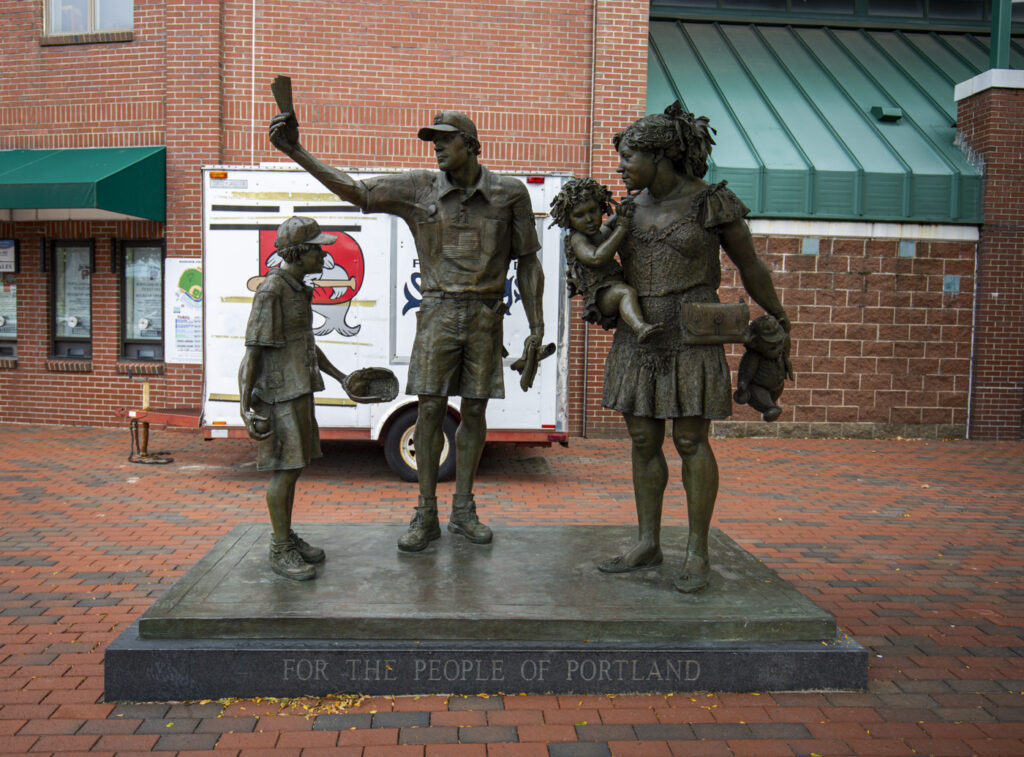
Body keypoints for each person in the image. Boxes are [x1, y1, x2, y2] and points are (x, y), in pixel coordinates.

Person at [269, 107, 544, 553]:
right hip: (436, 313)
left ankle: (463, 509)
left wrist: (537, 326)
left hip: (485, 316)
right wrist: (297, 152)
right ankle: (426, 512)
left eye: (445, 139)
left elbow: (529, 261)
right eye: (432, 140)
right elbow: (355, 192)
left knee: (474, 412)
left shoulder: (509, 194)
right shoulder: (419, 186)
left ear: (472, 145)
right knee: (429, 410)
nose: (435, 146)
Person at [599, 102, 792, 593]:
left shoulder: (711, 202)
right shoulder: (627, 210)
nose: (620, 167)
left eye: (627, 158)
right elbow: (598, 267)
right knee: (643, 441)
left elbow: (751, 266)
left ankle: (697, 550)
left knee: (689, 440)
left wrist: (777, 313)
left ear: (660, 156)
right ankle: (648, 542)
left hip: (691, 331)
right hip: (639, 332)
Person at [239, 216, 362, 580]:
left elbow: (306, 345)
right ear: (300, 253)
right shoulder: (272, 291)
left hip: (299, 388)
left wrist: (341, 377)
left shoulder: (297, 289)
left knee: (295, 468)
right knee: (285, 471)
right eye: (317, 249)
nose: (323, 256)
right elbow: (252, 354)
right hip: (279, 395)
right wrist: (245, 408)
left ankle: (286, 536)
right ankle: (280, 548)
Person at [549, 178, 661, 342]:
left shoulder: (596, 233)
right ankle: (640, 327)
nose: (589, 219)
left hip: (614, 284)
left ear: (601, 206)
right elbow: (596, 258)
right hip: (601, 294)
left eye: (593, 211)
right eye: (579, 215)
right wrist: (622, 227)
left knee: (626, 291)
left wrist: (625, 209)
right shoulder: (577, 239)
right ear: (568, 219)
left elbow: (608, 227)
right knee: (626, 293)